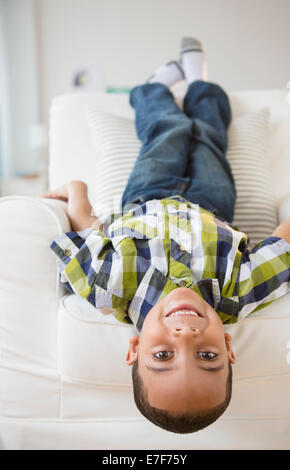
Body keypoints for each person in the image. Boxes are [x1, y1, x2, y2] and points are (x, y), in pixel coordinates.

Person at [40, 37, 290, 434]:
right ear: (228, 348)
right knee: (208, 136)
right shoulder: (240, 291)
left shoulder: (107, 285)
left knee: (168, 129)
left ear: (135, 349)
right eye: (206, 355)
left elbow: (83, 225)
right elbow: (283, 247)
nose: (186, 335)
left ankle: (152, 88)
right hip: (214, 202)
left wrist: (74, 189)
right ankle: (198, 82)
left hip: (147, 192)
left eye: (163, 353)